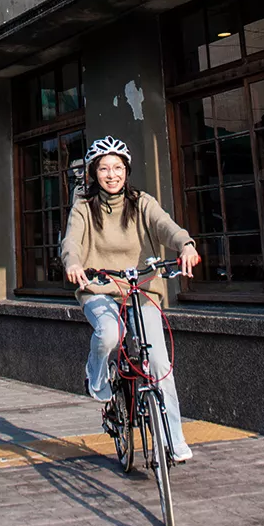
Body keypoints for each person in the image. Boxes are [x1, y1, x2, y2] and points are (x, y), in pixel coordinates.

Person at [61, 136, 201, 463]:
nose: (112, 175)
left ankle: (174, 440)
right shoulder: (84, 206)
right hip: (98, 287)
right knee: (111, 333)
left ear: (126, 171)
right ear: (94, 173)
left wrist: (185, 245)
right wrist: (73, 264)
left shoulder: (141, 202)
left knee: (159, 364)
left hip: (141, 289)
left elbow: (165, 226)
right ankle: (96, 374)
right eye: (104, 169)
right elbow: (72, 242)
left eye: (118, 168)